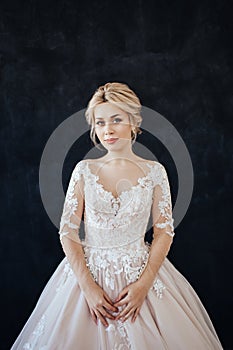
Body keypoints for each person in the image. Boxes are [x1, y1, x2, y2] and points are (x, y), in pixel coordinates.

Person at [11, 82, 223, 349]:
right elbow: (67, 232)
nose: (107, 130)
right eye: (100, 123)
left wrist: (144, 285)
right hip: (87, 276)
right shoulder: (84, 170)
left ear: (134, 123)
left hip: (139, 277)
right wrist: (87, 287)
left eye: (116, 120)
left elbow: (164, 232)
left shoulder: (155, 171)